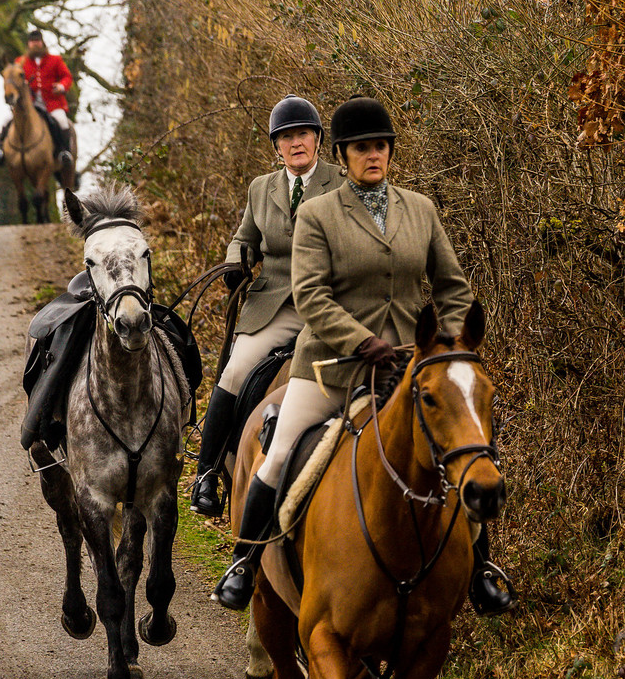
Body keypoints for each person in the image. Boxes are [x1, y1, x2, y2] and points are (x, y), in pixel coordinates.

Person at [213, 96, 518, 617]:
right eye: (360, 148)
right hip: (331, 366)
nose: (372, 155)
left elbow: (451, 286)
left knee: (460, 452)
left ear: (390, 152)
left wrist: (453, 344)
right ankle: (245, 561)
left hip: (405, 368)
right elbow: (310, 295)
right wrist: (361, 341)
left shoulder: (420, 209)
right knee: (282, 448)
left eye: (380, 146)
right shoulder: (317, 214)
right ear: (344, 155)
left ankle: (481, 569)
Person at [190, 94, 343, 516]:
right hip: (275, 303)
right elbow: (244, 239)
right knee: (237, 371)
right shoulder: (262, 188)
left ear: (317, 139)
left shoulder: (342, 184)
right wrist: (234, 263)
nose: (297, 143)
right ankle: (205, 475)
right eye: (287, 137)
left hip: (329, 302)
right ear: (276, 147)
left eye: (304, 135)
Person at [0, 29, 74, 165]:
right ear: (28, 44)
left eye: (37, 42)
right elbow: (15, 79)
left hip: (52, 103)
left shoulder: (55, 60)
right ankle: (1, 151)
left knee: (62, 121)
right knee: (7, 120)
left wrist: (61, 86)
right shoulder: (21, 61)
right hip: (30, 104)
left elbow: (67, 77)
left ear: (42, 43)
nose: (35, 44)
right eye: (32, 42)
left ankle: (65, 152)